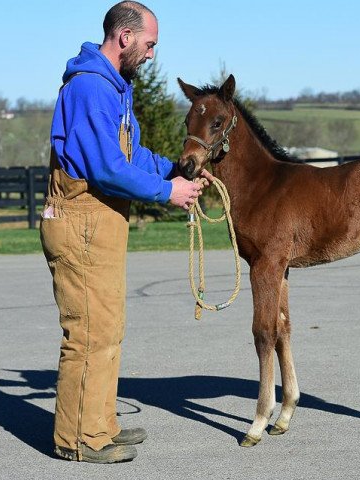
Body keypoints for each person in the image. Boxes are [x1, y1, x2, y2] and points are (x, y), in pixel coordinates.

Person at [40, 1, 211, 463]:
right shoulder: (91, 88)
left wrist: (176, 170)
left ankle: (99, 426)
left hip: (100, 222)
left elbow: (131, 153)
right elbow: (106, 168)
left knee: (108, 328)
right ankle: (78, 440)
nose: (153, 54)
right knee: (88, 331)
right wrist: (166, 192)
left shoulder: (115, 88)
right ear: (125, 38)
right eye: (150, 44)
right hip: (82, 221)